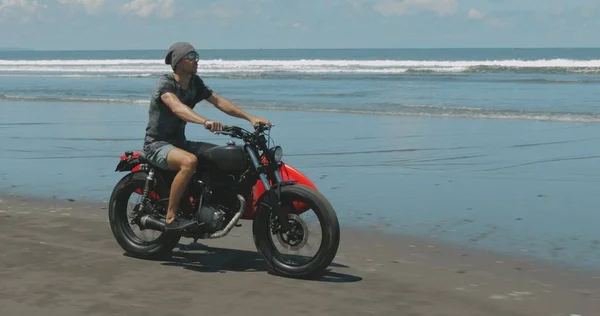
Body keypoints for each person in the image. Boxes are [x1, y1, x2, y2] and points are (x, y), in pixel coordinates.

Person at [143, 41, 271, 230]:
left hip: (179, 143)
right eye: (192, 57)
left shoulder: (195, 83)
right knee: (189, 162)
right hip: (157, 145)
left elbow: (218, 101)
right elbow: (177, 107)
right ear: (178, 61)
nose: (197, 60)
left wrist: (249, 118)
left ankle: (213, 204)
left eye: (197, 56)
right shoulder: (166, 83)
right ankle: (170, 217)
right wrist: (204, 121)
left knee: (218, 155)